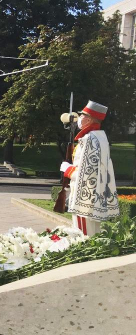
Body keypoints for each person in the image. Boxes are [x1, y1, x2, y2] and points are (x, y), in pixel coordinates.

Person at [60, 101, 119, 236]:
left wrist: (68, 169)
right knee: (92, 231)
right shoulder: (100, 137)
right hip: (93, 195)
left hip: (84, 197)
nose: (79, 117)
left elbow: (87, 172)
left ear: (89, 119)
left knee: (83, 234)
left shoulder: (89, 140)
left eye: (82, 115)